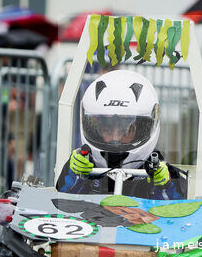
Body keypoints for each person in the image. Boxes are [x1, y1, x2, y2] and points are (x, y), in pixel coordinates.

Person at [57, 69, 187, 200]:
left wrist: (165, 185)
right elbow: (61, 202)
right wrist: (76, 175)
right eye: (107, 130)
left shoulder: (160, 171)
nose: (115, 139)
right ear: (95, 130)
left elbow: (180, 212)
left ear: (142, 129)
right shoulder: (84, 165)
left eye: (125, 131)